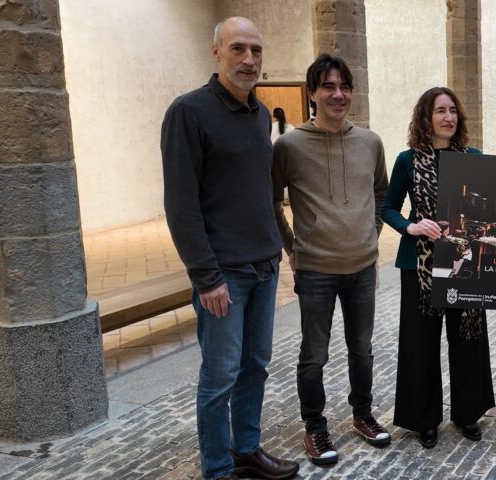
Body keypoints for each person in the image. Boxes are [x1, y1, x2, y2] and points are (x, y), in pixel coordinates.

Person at [161, 17, 298, 480]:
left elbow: (264, 193)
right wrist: (206, 276)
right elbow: (181, 205)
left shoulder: (260, 114)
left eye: (256, 50)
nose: (249, 59)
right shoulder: (189, 113)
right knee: (219, 376)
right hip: (225, 275)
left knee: (255, 366)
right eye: (238, 48)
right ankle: (218, 468)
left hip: (264, 266)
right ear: (215, 52)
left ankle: (246, 450)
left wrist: (286, 246)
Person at [272, 54, 391, 467]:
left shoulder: (370, 142)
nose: (337, 94)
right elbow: (271, 201)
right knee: (314, 354)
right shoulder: (288, 145)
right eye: (328, 86)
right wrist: (292, 246)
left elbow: (381, 192)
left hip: (361, 268)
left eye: (344, 86)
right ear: (312, 93)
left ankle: (362, 415)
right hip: (316, 270)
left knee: (362, 350)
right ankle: (315, 426)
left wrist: (370, 232)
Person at [381, 87, 496, 449]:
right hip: (420, 264)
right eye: (439, 111)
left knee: (467, 339)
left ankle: (467, 413)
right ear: (425, 118)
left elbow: (491, 203)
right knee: (421, 343)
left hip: (463, 261)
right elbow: (387, 208)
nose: (448, 117)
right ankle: (424, 419)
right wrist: (410, 227)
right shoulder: (406, 160)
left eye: (452, 111)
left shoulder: (473, 157)